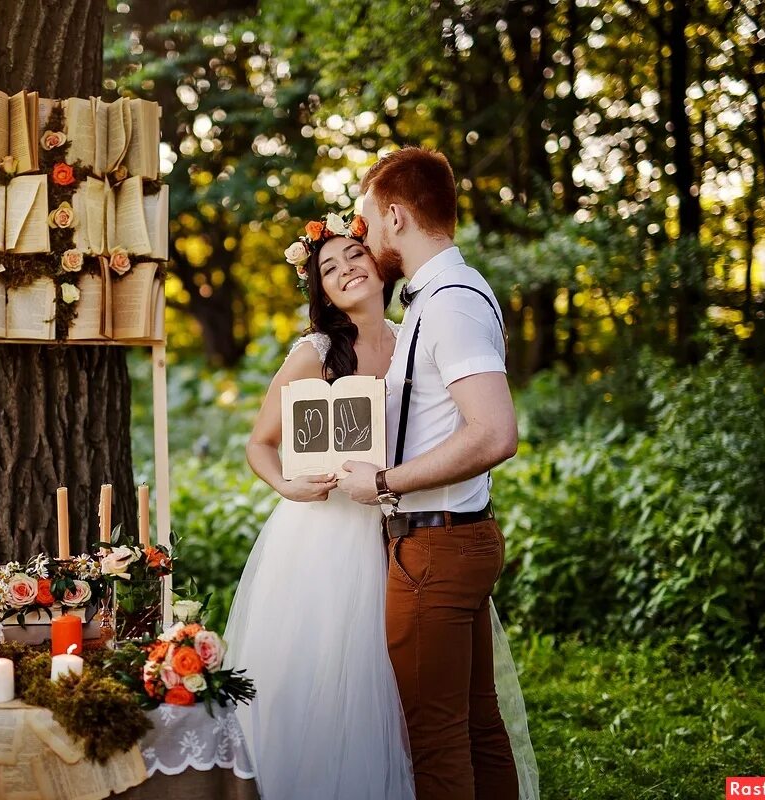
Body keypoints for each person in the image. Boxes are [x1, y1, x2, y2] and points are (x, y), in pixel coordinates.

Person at [225, 210, 538, 800]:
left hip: (401, 522)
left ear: (378, 261)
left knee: (403, 680)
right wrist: (290, 486)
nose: (346, 270)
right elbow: (259, 443)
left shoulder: (414, 336)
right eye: (329, 268)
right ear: (320, 290)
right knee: (332, 668)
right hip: (324, 532)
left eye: (354, 256)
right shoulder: (315, 351)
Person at [338, 146, 538, 800]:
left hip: (436, 549)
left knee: (436, 738)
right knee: (476, 725)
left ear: (395, 217)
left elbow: (495, 432)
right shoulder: (439, 296)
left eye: (365, 221)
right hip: (451, 540)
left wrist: (385, 482)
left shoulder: (449, 302)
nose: (361, 236)